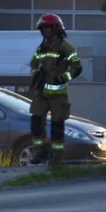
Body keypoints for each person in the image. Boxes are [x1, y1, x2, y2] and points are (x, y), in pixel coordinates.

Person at [28, 13, 82, 165]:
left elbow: (77, 67)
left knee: (57, 127)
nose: (44, 30)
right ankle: (40, 153)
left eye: (47, 27)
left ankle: (56, 159)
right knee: (36, 123)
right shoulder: (42, 47)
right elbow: (33, 63)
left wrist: (64, 77)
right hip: (41, 94)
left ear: (56, 28)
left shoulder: (66, 47)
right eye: (42, 28)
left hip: (58, 95)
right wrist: (35, 75)